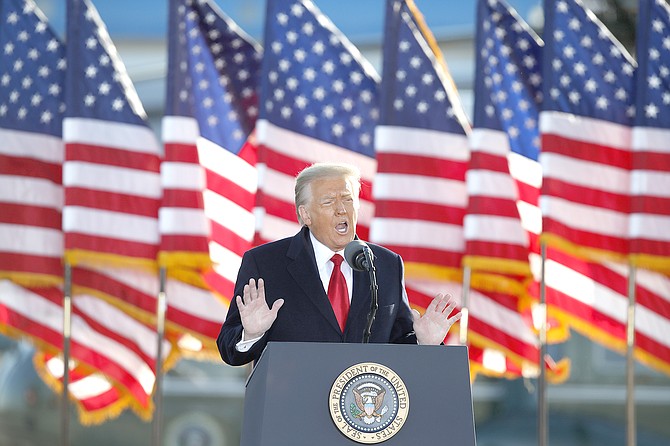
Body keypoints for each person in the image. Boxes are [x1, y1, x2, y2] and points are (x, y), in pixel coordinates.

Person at [217, 162, 461, 366]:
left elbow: (398, 344)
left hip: (365, 414)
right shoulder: (265, 263)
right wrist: (252, 333)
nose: (341, 210)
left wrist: (424, 342)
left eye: (347, 199)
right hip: (292, 412)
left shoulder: (386, 265)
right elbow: (229, 349)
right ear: (305, 215)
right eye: (328, 202)